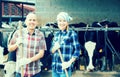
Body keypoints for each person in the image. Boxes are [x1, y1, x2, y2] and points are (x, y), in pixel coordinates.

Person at [7, 12, 47, 77]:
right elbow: (10, 49)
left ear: (37, 23)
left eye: (34, 20)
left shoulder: (40, 34)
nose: (32, 22)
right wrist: (17, 44)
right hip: (21, 71)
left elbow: (41, 53)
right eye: (30, 20)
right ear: (26, 22)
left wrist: (29, 60)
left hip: (35, 72)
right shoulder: (18, 33)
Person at [50, 12, 80, 77]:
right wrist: (54, 48)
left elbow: (77, 51)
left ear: (67, 22)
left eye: (64, 21)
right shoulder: (56, 35)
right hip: (55, 67)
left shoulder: (72, 34)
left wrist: (69, 63)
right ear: (57, 22)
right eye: (60, 21)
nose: (62, 23)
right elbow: (51, 51)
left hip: (65, 68)